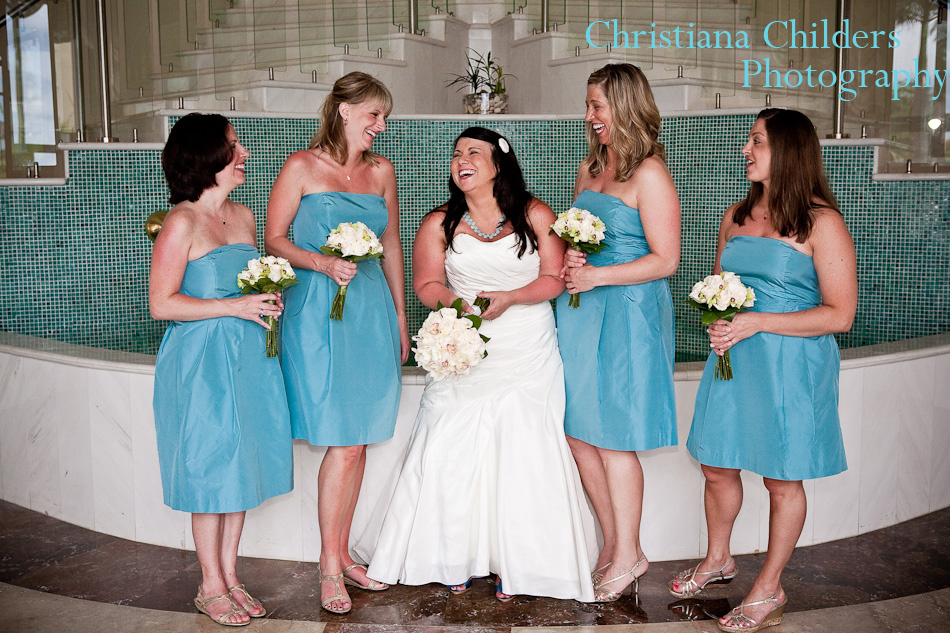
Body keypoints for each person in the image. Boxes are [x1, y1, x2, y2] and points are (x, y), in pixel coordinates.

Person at [355, 127, 597, 602]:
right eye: (456, 154)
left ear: (498, 164)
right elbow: (426, 283)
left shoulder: (535, 214)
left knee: (524, 447)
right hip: (464, 344)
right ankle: (448, 556)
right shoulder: (439, 222)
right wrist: (455, 305)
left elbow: (553, 278)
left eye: (473, 152)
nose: (461, 160)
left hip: (527, 345)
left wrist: (512, 297)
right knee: (450, 443)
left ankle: (521, 562)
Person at [671, 108, 856, 633]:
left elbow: (840, 315)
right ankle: (718, 559)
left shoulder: (822, 222)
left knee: (781, 479)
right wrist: (718, 322)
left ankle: (770, 586)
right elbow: (717, 287)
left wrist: (758, 322)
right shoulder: (736, 215)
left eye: (757, 142)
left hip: (790, 365)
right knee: (716, 464)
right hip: (734, 358)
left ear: (789, 151)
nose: (745, 150)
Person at [264, 72, 409, 615]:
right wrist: (321, 263)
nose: (380, 126)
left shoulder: (382, 171)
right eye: (374, 114)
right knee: (343, 441)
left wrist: (400, 315)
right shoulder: (301, 167)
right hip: (317, 312)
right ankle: (329, 565)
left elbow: (391, 243)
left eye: (384, 117)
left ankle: (344, 555)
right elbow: (273, 239)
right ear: (344, 110)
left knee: (360, 440)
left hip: (369, 309)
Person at [150, 113, 293, 627]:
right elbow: (161, 304)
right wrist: (235, 306)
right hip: (201, 364)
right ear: (205, 155)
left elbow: (249, 285)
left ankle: (231, 577)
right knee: (212, 468)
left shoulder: (245, 216)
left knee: (241, 464)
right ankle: (209, 584)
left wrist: (266, 300)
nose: (244, 155)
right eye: (234, 146)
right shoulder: (181, 223)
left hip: (250, 357)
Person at [556, 63, 681, 602]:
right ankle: (615, 543)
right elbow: (578, 238)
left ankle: (628, 553)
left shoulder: (650, 173)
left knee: (614, 436)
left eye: (597, 106)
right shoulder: (589, 167)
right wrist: (573, 259)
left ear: (626, 107)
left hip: (628, 312)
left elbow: (667, 260)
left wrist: (599, 275)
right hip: (581, 309)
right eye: (588, 105)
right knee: (578, 432)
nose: (589, 115)